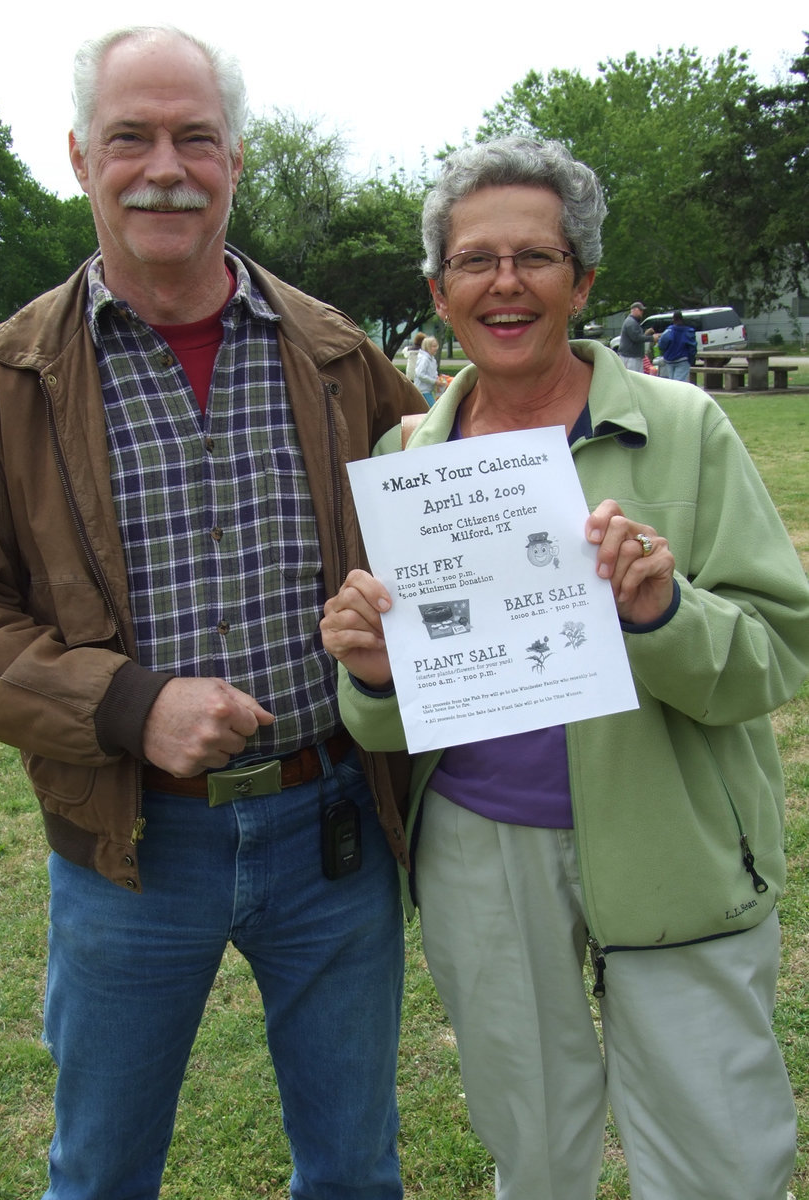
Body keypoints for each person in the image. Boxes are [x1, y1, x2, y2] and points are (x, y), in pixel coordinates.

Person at [0, 25, 426, 1200]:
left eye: (196, 137)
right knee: (99, 1175)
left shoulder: (341, 356)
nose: (166, 167)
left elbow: (446, 522)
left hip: (332, 826)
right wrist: (129, 704)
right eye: (132, 137)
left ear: (235, 159)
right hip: (129, 849)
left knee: (355, 1172)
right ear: (81, 156)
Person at [320, 136, 809, 1200]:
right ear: (439, 290)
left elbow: (777, 652)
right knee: (531, 1146)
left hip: (673, 845)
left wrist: (662, 611)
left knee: (719, 1158)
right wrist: (372, 672)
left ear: (582, 280)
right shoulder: (411, 463)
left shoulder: (684, 428)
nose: (505, 283)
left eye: (536, 257)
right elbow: (390, 722)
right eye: (475, 260)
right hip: (482, 859)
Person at [657, 309, 697, 380]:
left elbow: (661, 345)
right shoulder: (688, 331)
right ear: (682, 319)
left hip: (669, 360)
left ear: (673, 319)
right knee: (680, 383)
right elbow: (692, 348)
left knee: (671, 382)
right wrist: (691, 359)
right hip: (683, 359)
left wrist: (665, 354)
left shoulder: (668, 331)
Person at [618, 300, 654, 371]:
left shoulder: (633, 322)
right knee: (632, 378)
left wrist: (646, 334)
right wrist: (652, 338)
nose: (642, 312)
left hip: (634, 357)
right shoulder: (631, 322)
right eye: (640, 310)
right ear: (634, 310)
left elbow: (637, 336)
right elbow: (636, 338)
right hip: (630, 358)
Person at [412, 335, 439, 405]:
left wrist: (438, 379)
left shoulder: (432, 359)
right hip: (422, 391)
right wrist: (434, 381)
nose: (436, 348)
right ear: (427, 347)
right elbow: (420, 374)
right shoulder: (424, 359)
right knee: (433, 409)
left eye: (436, 346)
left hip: (428, 390)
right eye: (434, 346)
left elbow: (434, 372)